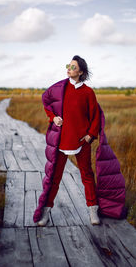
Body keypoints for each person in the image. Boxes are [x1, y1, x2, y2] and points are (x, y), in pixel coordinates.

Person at [37, 55, 101, 226]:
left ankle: (93, 210)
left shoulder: (88, 92)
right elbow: (46, 100)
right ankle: (45, 212)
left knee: (87, 175)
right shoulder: (60, 88)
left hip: (81, 142)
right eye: (68, 66)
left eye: (73, 67)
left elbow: (95, 117)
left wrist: (90, 135)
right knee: (54, 178)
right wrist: (53, 117)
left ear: (81, 72)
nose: (69, 68)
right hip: (61, 141)